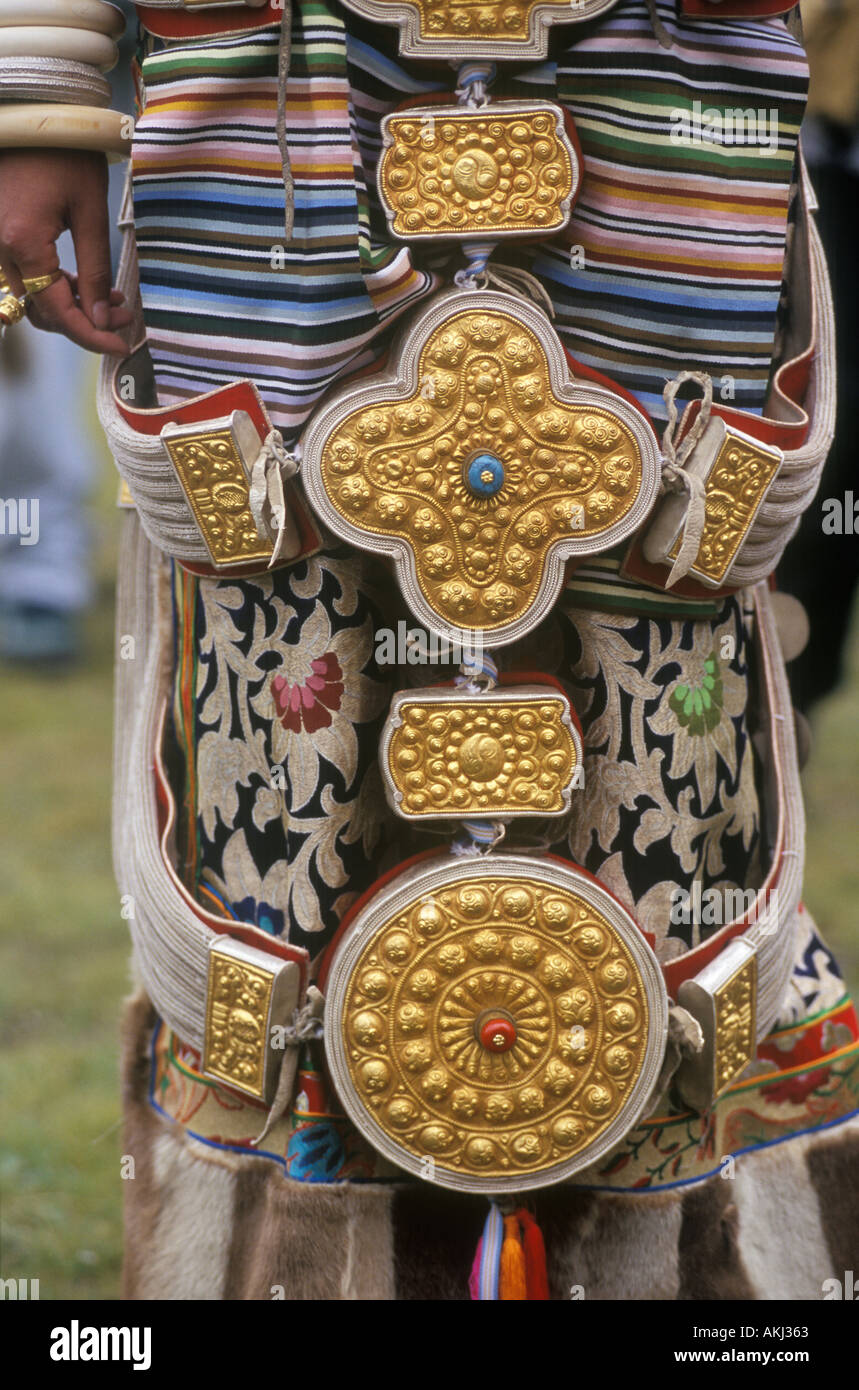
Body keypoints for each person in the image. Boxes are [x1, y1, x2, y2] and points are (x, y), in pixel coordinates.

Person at [1, 0, 856, 1300]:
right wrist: (38, 90)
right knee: (278, 715)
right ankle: (294, 1270)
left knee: (666, 699)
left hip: (663, 91)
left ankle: (669, 1279)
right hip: (273, 100)